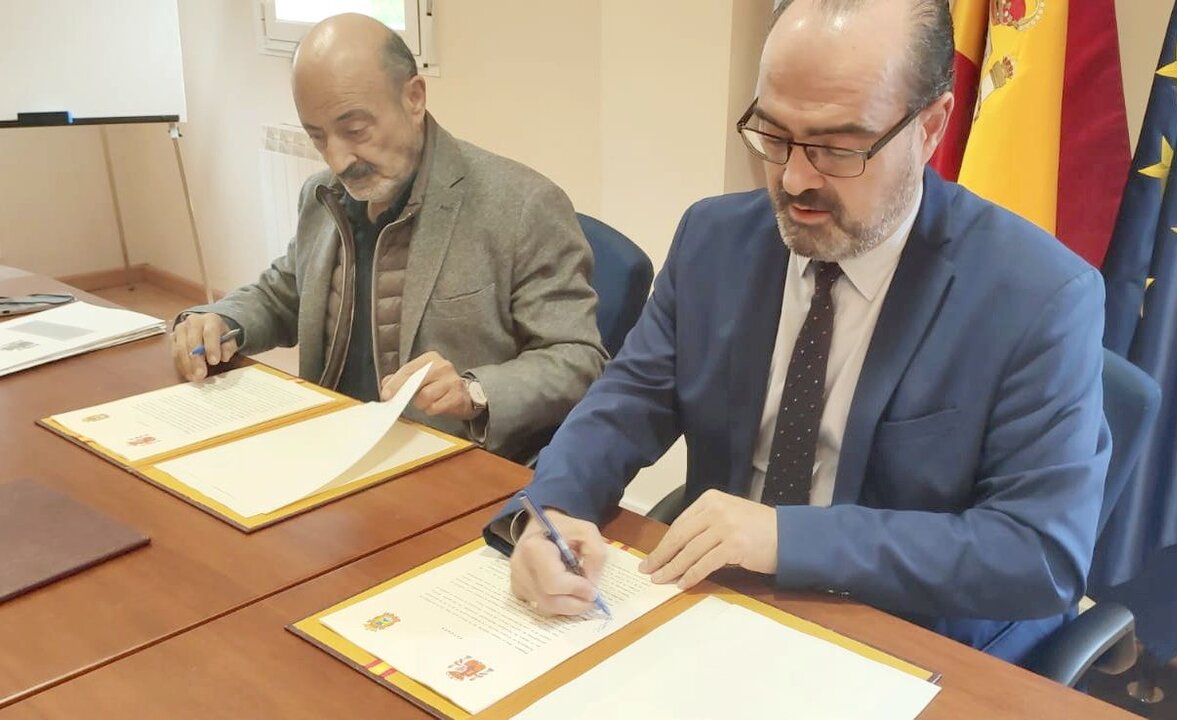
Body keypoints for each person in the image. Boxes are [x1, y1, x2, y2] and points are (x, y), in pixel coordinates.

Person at [491, 0, 1110, 664]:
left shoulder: (1037, 295)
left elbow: (1038, 553)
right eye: (773, 135)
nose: (793, 180)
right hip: (718, 609)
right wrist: (549, 513)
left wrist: (789, 539)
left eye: (837, 148)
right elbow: (625, 403)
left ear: (931, 126)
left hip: (906, 638)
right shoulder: (714, 239)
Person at [170, 14, 606, 461]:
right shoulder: (323, 195)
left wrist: (473, 391)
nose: (338, 159)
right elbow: (286, 293)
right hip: (328, 447)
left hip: (443, 463)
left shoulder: (521, 206)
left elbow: (577, 358)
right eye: (318, 137)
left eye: (355, 130)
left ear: (414, 97)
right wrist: (223, 320)